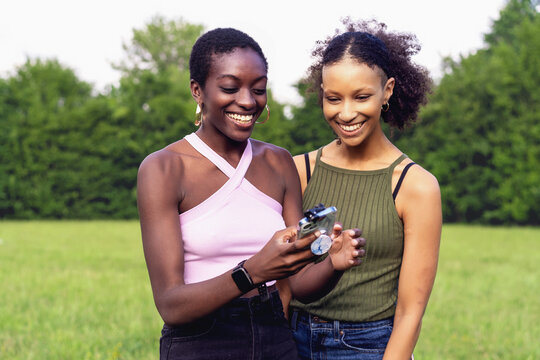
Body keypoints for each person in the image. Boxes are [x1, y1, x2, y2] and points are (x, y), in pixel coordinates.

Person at [136, 27, 365, 360]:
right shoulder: (163, 169)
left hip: (274, 334)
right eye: (230, 87)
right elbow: (171, 305)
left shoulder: (278, 161)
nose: (247, 101)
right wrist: (253, 271)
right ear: (197, 90)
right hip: (201, 340)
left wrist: (334, 263)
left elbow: (298, 282)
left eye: (258, 89)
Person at [288, 19, 442, 360]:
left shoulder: (416, 186)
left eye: (361, 97)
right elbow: (284, 278)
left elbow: (410, 312)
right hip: (292, 338)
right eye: (333, 98)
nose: (346, 113)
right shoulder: (299, 170)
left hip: (366, 346)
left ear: (386, 91)